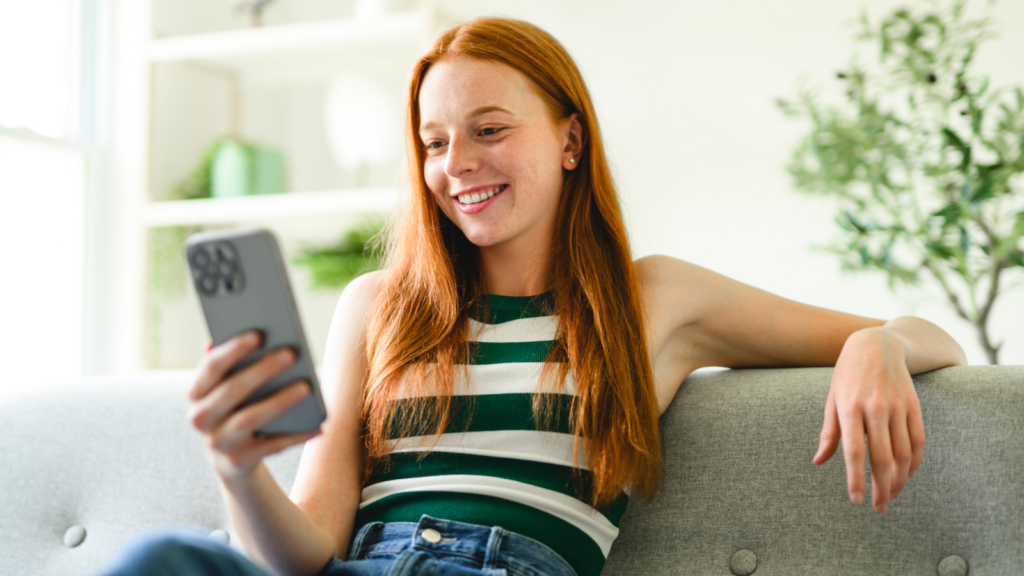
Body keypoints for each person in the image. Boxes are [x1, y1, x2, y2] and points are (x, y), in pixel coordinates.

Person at [99, 16, 967, 576]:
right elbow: (306, 552)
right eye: (434, 142)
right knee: (160, 558)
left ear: (569, 141)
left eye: (489, 130)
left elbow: (936, 339)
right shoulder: (375, 307)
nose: (457, 165)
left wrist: (877, 345)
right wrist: (236, 467)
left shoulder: (653, 301)